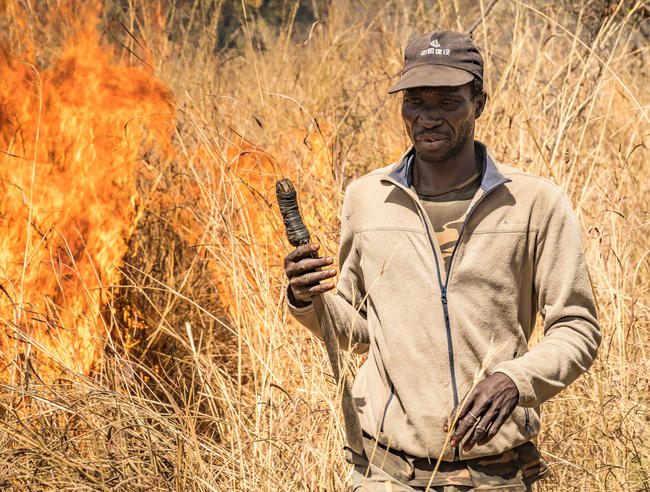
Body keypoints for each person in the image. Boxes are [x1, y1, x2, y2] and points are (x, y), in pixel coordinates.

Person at [283, 29, 600, 491]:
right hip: (386, 471)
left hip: (496, 473)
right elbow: (356, 333)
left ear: (480, 102)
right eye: (414, 100)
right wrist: (306, 297)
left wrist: (516, 379)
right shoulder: (367, 199)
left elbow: (578, 327)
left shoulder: (535, 203)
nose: (427, 117)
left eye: (448, 102)